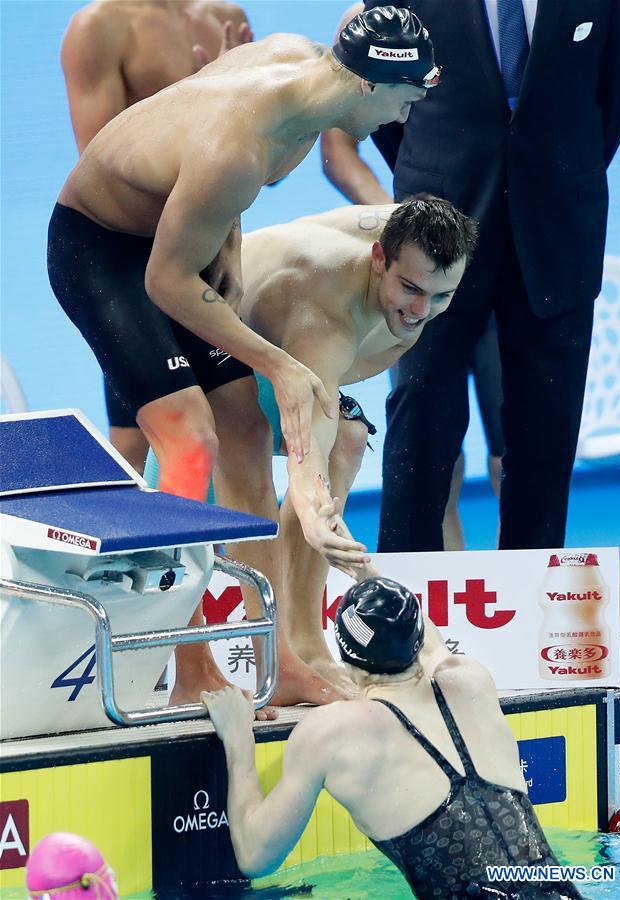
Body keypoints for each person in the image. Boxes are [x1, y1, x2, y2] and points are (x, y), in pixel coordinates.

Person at [47, 6, 438, 706]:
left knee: (246, 435)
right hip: (102, 252)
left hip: (180, 238)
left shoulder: (300, 62)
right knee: (190, 440)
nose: (404, 115)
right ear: (367, 86)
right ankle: (187, 665)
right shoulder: (239, 148)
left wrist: (225, 240)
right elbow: (164, 279)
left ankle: (276, 659)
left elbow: (204, 162)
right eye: (405, 99)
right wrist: (281, 365)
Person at [144, 194, 476, 688]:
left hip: (270, 355)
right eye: (409, 289)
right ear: (378, 261)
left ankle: (304, 644)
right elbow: (308, 444)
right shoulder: (327, 316)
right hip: (196, 342)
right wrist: (315, 503)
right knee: (188, 500)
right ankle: (207, 663)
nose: (421, 311)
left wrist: (316, 502)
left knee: (349, 437)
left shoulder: (413, 237)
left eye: (441, 297)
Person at [354, 0, 620, 554]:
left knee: (545, 429)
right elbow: (384, 100)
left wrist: (558, 171)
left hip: (558, 222)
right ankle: (405, 604)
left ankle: (536, 599)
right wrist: (439, 171)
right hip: (437, 219)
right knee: (420, 419)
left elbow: (619, 89)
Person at [202, 572, 583, 899]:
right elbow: (430, 646)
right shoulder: (472, 683)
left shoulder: (332, 733)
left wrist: (238, 739)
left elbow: (255, 857)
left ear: (344, 657)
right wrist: (363, 568)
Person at [321, 1, 504, 551]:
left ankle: (516, 587)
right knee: (429, 440)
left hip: (506, 253)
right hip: (420, 271)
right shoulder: (373, 19)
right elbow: (339, 147)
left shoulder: (509, 23)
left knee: (510, 441)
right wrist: (404, 225)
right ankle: (441, 589)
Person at [61, 0, 254, 474]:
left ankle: (232, 551)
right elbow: (104, 168)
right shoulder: (100, 27)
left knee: (243, 431)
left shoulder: (222, 17)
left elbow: (261, 165)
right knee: (140, 440)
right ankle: (123, 548)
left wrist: (238, 106)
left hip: (202, 251)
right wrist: (207, 107)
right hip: (125, 257)